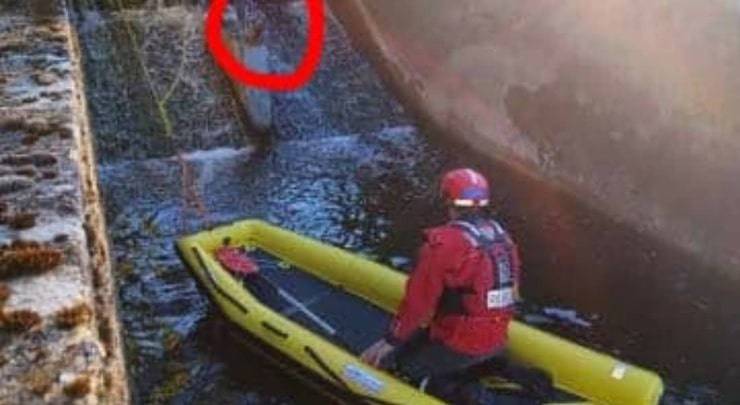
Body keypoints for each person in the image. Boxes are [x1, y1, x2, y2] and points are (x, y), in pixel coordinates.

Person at [361, 168, 522, 401]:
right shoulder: (503, 238)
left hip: (459, 345)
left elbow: (417, 304)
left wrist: (389, 342)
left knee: (397, 366)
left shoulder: (443, 245)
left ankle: (449, 390)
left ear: (447, 199)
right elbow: (512, 293)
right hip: (496, 341)